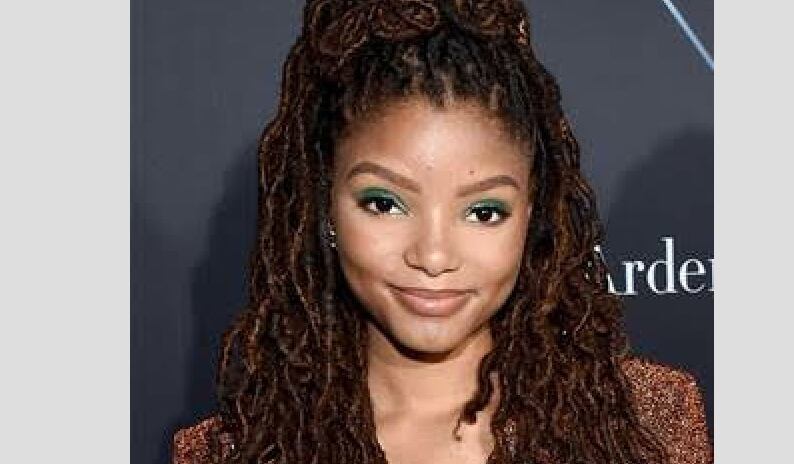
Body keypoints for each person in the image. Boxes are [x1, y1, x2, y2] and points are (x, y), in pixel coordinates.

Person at [173, 0, 712, 463]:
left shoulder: (648, 426)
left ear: (532, 214)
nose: (433, 256)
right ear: (324, 205)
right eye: (384, 204)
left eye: (483, 212)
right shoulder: (231, 452)